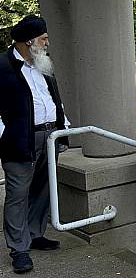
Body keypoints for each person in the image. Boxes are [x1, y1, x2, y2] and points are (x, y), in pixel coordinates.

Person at [0, 15, 69, 273]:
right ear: (29, 41)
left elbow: (53, 99)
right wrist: (5, 136)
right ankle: (18, 248)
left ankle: (34, 233)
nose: (47, 43)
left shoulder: (42, 64)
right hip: (19, 142)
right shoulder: (2, 66)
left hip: (50, 137)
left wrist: (64, 127)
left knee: (43, 188)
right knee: (18, 194)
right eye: (43, 38)